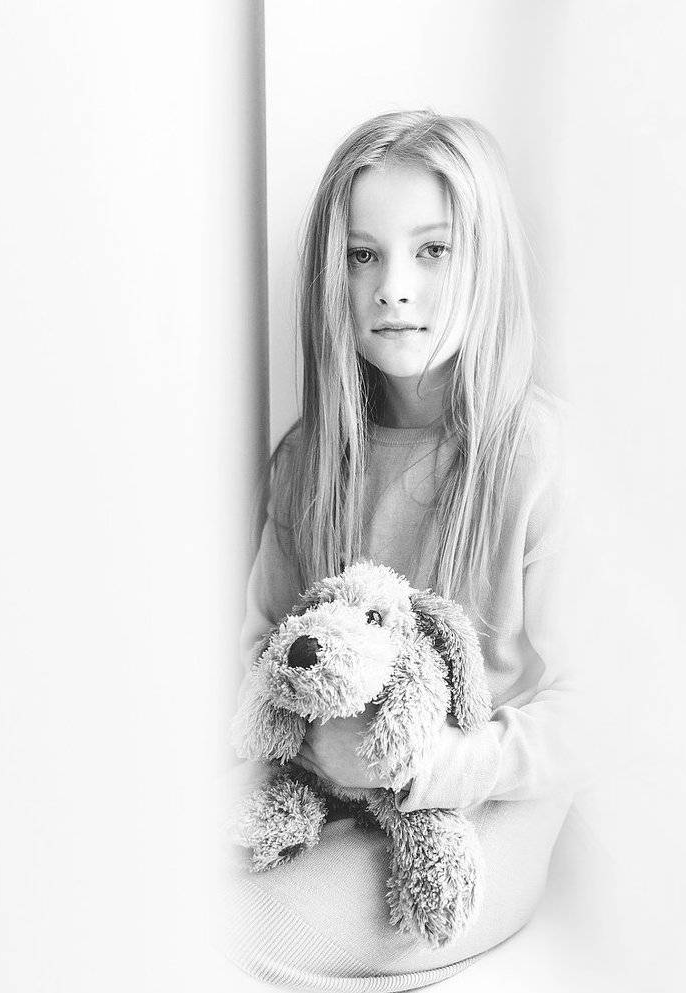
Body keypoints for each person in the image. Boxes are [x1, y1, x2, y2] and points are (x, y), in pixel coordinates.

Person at [225, 110, 584, 991]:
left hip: (484, 807)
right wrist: (315, 752)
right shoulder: (308, 461)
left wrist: (433, 765)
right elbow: (262, 650)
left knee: (239, 935)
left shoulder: (538, 457)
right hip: (332, 791)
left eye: (432, 250)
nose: (393, 287)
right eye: (363, 255)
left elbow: (593, 711)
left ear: (483, 261)